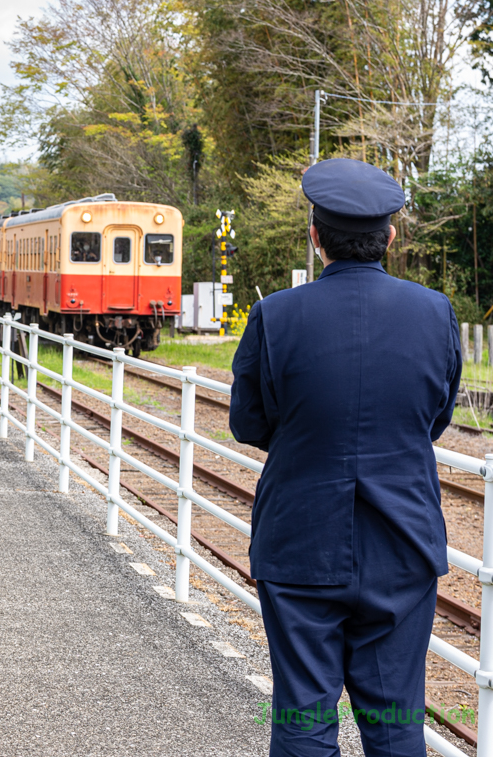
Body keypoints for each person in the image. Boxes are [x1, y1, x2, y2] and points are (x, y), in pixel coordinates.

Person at [230, 158, 461, 757]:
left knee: (303, 717)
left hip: (299, 542)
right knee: (394, 720)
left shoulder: (275, 315)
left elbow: (248, 423)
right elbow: (435, 418)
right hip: (402, 544)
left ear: (315, 236)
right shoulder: (435, 313)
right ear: (390, 236)